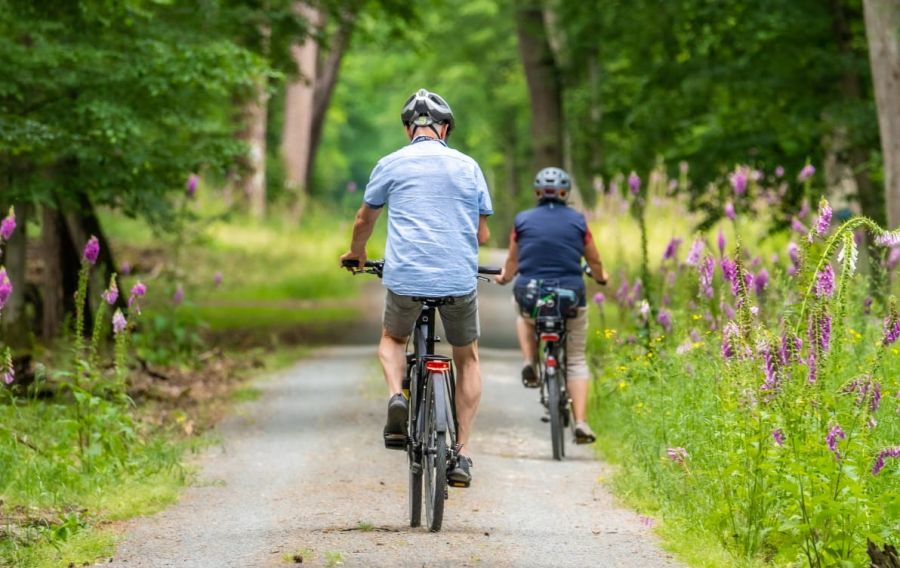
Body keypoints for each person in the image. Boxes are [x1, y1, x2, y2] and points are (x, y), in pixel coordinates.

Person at [340, 88, 492, 487]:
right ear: (445, 129)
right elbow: (483, 231)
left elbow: (363, 220)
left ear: (409, 129)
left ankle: (396, 396)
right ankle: (462, 453)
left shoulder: (390, 163)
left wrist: (357, 253)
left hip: (405, 277)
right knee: (468, 358)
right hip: (458, 279)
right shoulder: (468, 166)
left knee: (393, 338)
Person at [495, 166, 608, 444]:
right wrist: (602, 277)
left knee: (522, 313)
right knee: (577, 360)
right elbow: (593, 260)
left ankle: (529, 361)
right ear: (565, 193)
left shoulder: (522, 220)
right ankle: (581, 422)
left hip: (531, 294)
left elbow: (512, 260)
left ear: (537, 193)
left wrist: (506, 277)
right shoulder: (579, 221)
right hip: (570, 296)